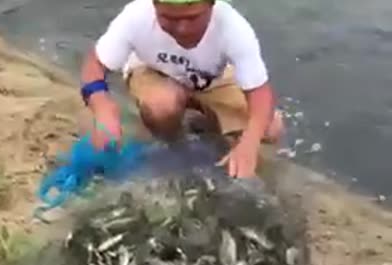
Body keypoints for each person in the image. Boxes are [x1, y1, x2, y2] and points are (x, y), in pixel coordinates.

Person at [79, 0, 284, 178]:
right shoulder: (136, 15)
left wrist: (249, 142)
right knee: (161, 107)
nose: (182, 29)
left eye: (193, 18)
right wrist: (103, 108)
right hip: (152, 70)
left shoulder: (233, 26)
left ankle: (205, 124)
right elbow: (95, 64)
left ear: (212, 6)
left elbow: (260, 92)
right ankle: (174, 144)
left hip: (210, 79)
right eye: (169, 19)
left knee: (270, 127)